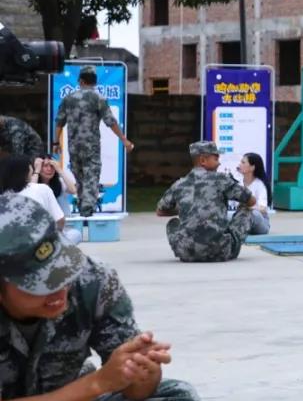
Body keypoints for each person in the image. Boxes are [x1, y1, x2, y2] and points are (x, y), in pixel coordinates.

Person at [0, 194, 203, 401]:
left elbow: (137, 392)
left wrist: (142, 371)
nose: (58, 290)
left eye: (61, 271)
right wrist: (97, 384)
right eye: (38, 284)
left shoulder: (94, 281)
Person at [53, 65, 135, 217]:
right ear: (94, 82)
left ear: (81, 81)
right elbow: (111, 122)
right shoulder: (99, 98)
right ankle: (87, 208)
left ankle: (82, 203)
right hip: (91, 145)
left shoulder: (68, 99)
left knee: (79, 175)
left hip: (74, 145)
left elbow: (59, 123)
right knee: (91, 175)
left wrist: (55, 143)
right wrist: (124, 140)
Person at [155, 141, 255, 262]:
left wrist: (186, 209)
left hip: (187, 253)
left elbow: (160, 211)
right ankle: (224, 242)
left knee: (173, 223)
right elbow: (251, 201)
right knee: (246, 212)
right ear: (203, 160)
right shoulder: (221, 179)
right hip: (221, 252)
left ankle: (187, 246)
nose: (219, 162)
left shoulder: (180, 184)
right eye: (216, 158)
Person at [0, 156, 78, 244]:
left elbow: (73, 190)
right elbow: (28, 194)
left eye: (52, 166)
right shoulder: (39, 187)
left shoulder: (58, 183)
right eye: (45, 166)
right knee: (75, 234)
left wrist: (59, 170)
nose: (49, 169)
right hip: (41, 237)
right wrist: (37, 170)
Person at [237, 152, 272, 236]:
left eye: (243, 162)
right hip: (241, 218)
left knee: (254, 214)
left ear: (252, 167)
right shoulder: (237, 182)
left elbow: (263, 208)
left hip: (260, 222)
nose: (239, 164)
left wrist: (247, 208)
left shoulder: (260, 184)